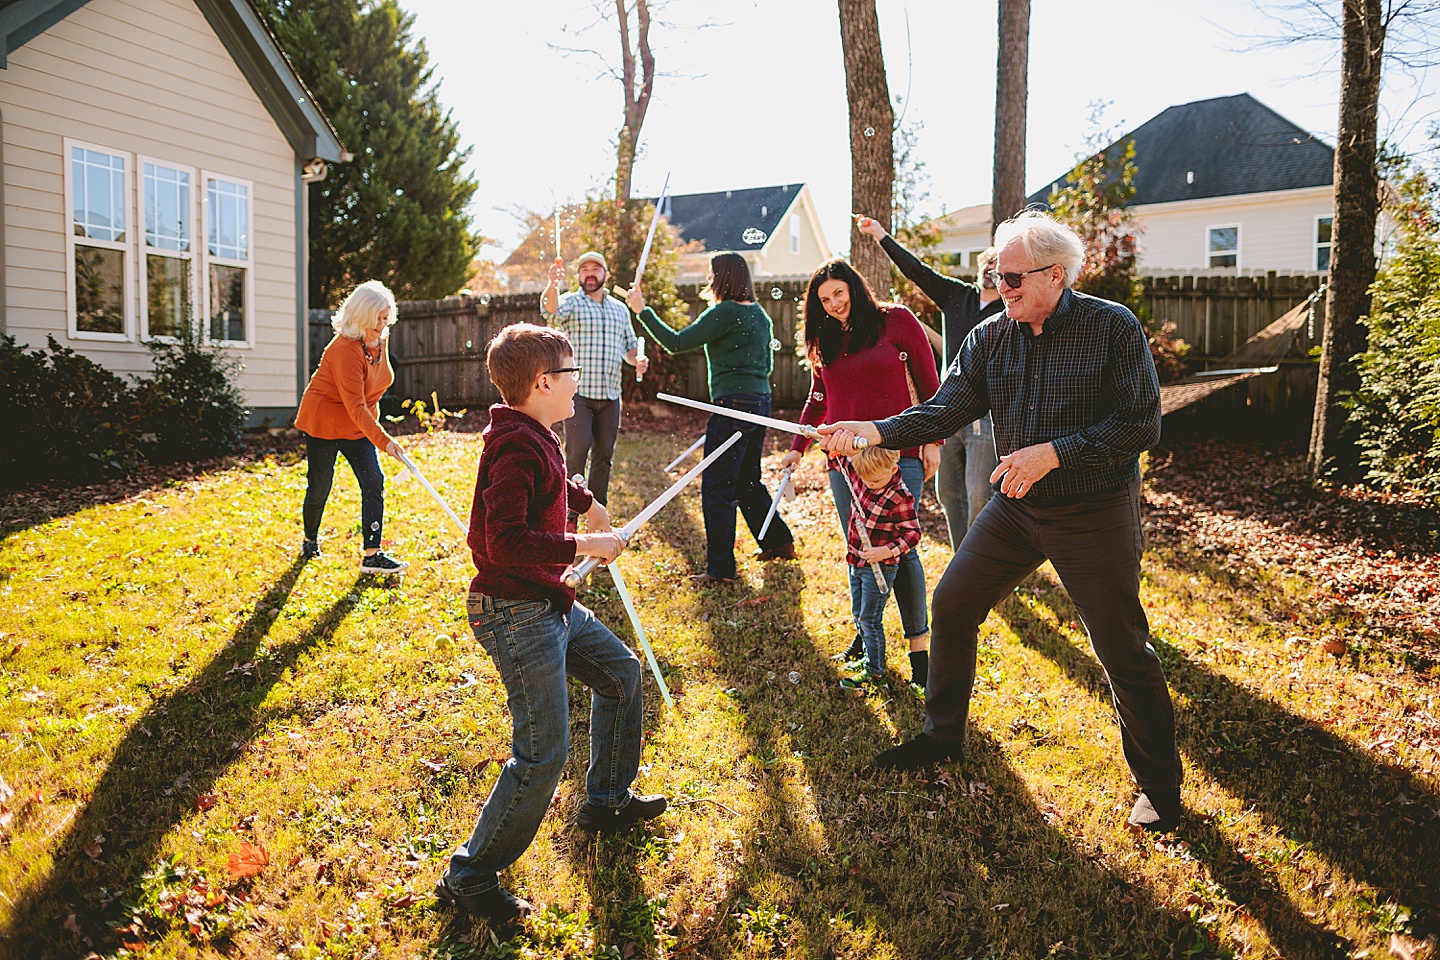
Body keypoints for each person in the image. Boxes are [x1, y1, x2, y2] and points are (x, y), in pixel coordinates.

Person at [818, 211, 1183, 833]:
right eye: (996, 275)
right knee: (953, 603)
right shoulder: (989, 338)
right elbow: (945, 408)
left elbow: (1141, 424)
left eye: (1011, 277)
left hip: (1093, 510)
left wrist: (1055, 452)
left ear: (1056, 275)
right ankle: (942, 735)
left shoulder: (1111, 328)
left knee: (1121, 647)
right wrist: (875, 430)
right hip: (1016, 509)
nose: (1001, 287)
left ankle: (1160, 789)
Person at [435, 322, 667, 924]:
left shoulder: (533, 434)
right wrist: (584, 540)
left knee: (621, 675)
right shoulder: (513, 445)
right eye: (571, 375)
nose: (578, 384)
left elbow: (548, 478)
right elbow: (502, 539)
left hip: (548, 603)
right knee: (542, 753)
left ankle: (607, 802)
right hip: (515, 613)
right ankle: (471, 875)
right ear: (543, 382)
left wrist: (581, 493)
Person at [778, 258, 939, 677]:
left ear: (854, 287)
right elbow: (818, 398)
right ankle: (867, 636)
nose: (833, 304)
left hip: (897, 454)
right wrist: (797, 447)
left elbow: (929, 383)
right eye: (824, 299)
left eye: (838, 293)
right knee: (861, 551)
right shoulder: (825, 339)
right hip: (842, 462)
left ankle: (919, 648)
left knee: (901, 548)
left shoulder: (897, 321)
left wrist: (934, 442)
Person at [627, 251, 795, 583]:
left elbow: (676, 343)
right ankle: (778, 542)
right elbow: (768, 367)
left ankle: (720, 570)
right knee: (747, 480)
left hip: (731, 407)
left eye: (711, 273)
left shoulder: (724, 313)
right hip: (760, 403)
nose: (708, 279)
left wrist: (642, 310)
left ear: (724, 278)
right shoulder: (761, 316)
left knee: (718, 486)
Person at [856, 215, 1004, 549]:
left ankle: (983, 564)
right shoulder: (956, 295)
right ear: (980, 265)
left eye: (1000, 266)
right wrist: (880, 234)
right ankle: (963, 562)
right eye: (988, 262)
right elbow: (916, 270)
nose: (991, 269)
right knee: (948, 492)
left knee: (979, 495)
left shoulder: (1010, 311)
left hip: (985, 416)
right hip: (948, 410)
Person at [294, 279, 409, 574]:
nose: (383, 325)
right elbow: (355, 404)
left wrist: (376, 433)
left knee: (373, 481)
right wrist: (385, 442)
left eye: (386, 318)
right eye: (377, 320)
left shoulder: (379, 340)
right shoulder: (344, 349)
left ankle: (372, 555)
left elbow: (370, 395)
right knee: (320, 485)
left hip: (358, 424)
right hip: (325, 421)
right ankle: (310, 539)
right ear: (361, 317)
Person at [541, 251, 647, 524]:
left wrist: (638, 360)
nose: (590, 273)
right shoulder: (571, 303)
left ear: (606, 275)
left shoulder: (620, 310)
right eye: (584, 269)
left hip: (611, 396)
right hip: (579, 396)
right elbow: (550, 311)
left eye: (595, 269)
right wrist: (552, 283)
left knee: (604, 458)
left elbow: (629, 347)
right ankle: (567, 517)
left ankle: (597, 517)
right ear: (578, 276)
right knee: (576, 455)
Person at [836, 446, 923, 688]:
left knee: (870, 618)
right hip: (855, 560)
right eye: (865, 479)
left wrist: (886, 551)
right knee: (858, 613)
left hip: (880, 568)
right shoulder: (864, 476)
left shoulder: (899, 497)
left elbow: (913, 534)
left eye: (875, 480)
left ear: (894, 469)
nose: (869, 484)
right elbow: (845, 465)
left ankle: (875, 671)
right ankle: (867, 655)